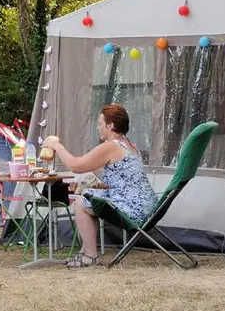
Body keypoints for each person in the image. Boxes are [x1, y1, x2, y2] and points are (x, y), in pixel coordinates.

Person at [42, 104, 157, 268]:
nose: (98, 128)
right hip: (148, 206)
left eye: (100, 123)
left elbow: (76, 165)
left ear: (110, 125)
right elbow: (124, 180)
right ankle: (84, 252)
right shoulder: (131, 146)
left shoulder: (112, 145)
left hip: (133, 209)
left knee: (81, 203)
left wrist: (56, 146)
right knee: (89, 197)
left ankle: (90, 255)